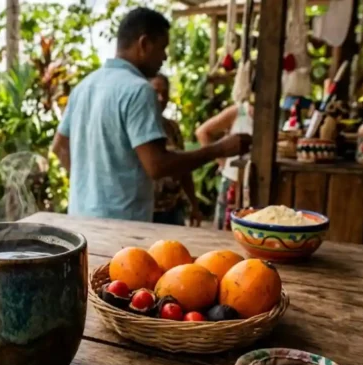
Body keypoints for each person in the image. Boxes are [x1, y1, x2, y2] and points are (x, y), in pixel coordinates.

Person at [51, 7, 251, 222]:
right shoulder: (138, 89)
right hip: (122, 227)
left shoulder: (85, 86)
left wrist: (90, 188)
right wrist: (218, 149)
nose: (164, 57)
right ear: (144, 44)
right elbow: (157, 165)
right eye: (162, 48)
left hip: (81, 220)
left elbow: (59, 147)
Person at [149, 74, 201, 227]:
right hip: (145, 211)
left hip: (172, 208)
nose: (160, 98)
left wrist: (194, 204)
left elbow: (184, 168)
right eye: (155, 93)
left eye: (164, 93)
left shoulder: (172, 128)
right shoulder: (135, 129)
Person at [195, 103, 255, 230]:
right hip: (233, 182)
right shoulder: (239, 111)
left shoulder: (273, 110)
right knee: (224, 231)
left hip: (255, 185)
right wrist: (221, 161)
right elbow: (202, 132)